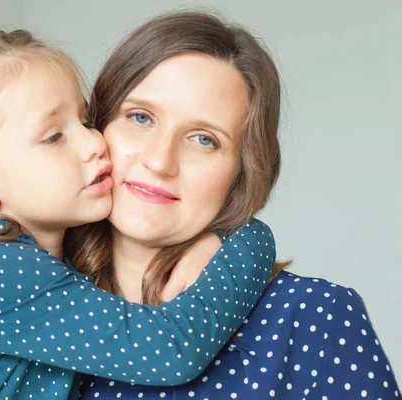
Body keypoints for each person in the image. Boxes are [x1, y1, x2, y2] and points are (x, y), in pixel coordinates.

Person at [0, 28, 277, 400]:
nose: (93, 142)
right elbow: (169, 351)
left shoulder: (48, 263)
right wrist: (250, 240)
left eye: (84, 120)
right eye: (54, 137)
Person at [72, 12, 401, 399]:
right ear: (94, 127)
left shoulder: (314, 318)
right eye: (140, 117)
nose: (160, 161)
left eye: (204, 139)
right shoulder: (22, 302)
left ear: (241, 173)